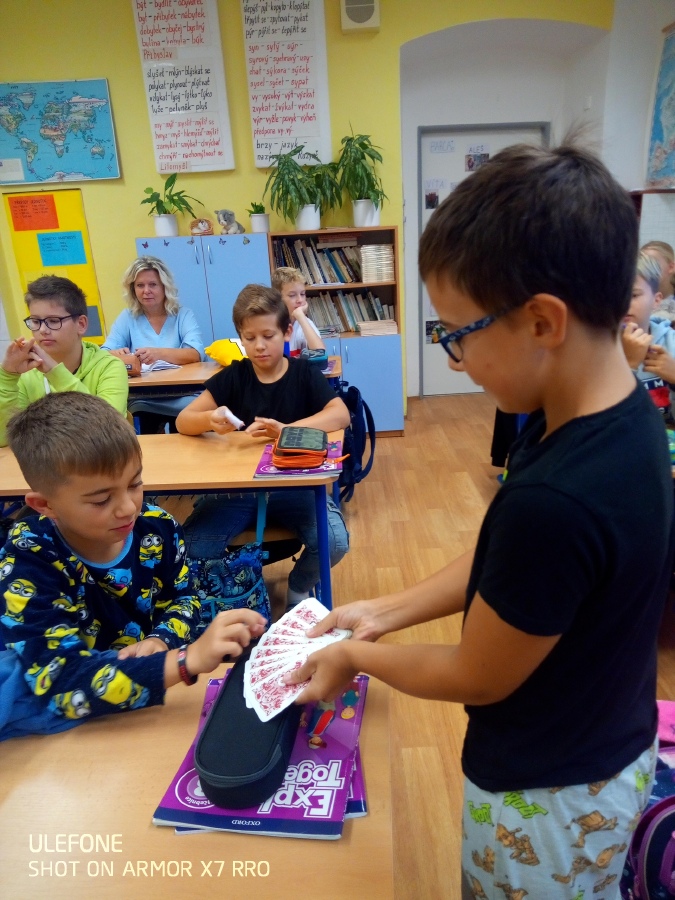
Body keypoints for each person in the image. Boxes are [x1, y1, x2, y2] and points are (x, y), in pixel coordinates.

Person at [284, 141, 674, 897]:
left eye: (457, 335)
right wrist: (384, 611)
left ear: (542, 321)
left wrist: (357, 657)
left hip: (546, 799)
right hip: (611, 742)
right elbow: (509, 568)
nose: (453, 358)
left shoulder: (555, 501)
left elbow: (477, 674)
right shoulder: (615, 411)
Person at [0, 392, 265, 736]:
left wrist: (161, 641)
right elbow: (61, 681)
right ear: (44, 505)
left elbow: (184, 599)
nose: (128, 508)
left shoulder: (158, 528)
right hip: (79, 729)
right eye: (101, 499)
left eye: (135, 484)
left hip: (146, 702)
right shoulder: (28, 557)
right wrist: (183, 662)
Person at [176, 284, 349, 610]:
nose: (259, 345)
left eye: (268, 336)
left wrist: (288, 430)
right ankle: (228, 593)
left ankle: (298, 589)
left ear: (287, 332)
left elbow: (340, 414)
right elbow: (184, 420)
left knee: (334, 541)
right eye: (249, 337)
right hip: (235, 490)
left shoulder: (303, 374)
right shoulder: (235, 376)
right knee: (192, 547)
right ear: (240, 337)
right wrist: (211, 419)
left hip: (293, 488)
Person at [0, 275, 128, 447]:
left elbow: (107, 431)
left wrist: (55, 373)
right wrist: (8, 376)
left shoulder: (110, 367)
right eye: (36, 321)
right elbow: (5, 439)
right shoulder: (26, 373)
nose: (43, 330)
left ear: (81, 324)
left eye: (53, 321)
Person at [102, 256, 204, 433]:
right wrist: (117, 354)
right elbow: (103, 353)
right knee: (147, 430)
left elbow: (195, 353)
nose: (146, 291)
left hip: (183, 392)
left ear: (165, 287)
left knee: (183, 432)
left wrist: (158, 354)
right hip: (143, 396)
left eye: (153, 285)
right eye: (140, 285)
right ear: (133, 289)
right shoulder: (127, 317)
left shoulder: (183, 315)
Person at [622, 249, 675, 422]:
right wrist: (629, 365)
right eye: (615, 295)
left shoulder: (671, 343)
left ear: (656, 300)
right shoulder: (596, 347)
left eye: (633, 295)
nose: (623, 303)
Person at [271, 266, 325, 354]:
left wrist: (301, 317)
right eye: (292, 295)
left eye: (302, 294)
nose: (300, 300)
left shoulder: (304, 323)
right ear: (277, 298)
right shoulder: (270, 324)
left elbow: (320, 353)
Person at [641, 239, 675, 318]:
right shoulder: (636, 298)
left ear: (671, 267)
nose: (646, 268)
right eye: (643, 263)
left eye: (653, 263)